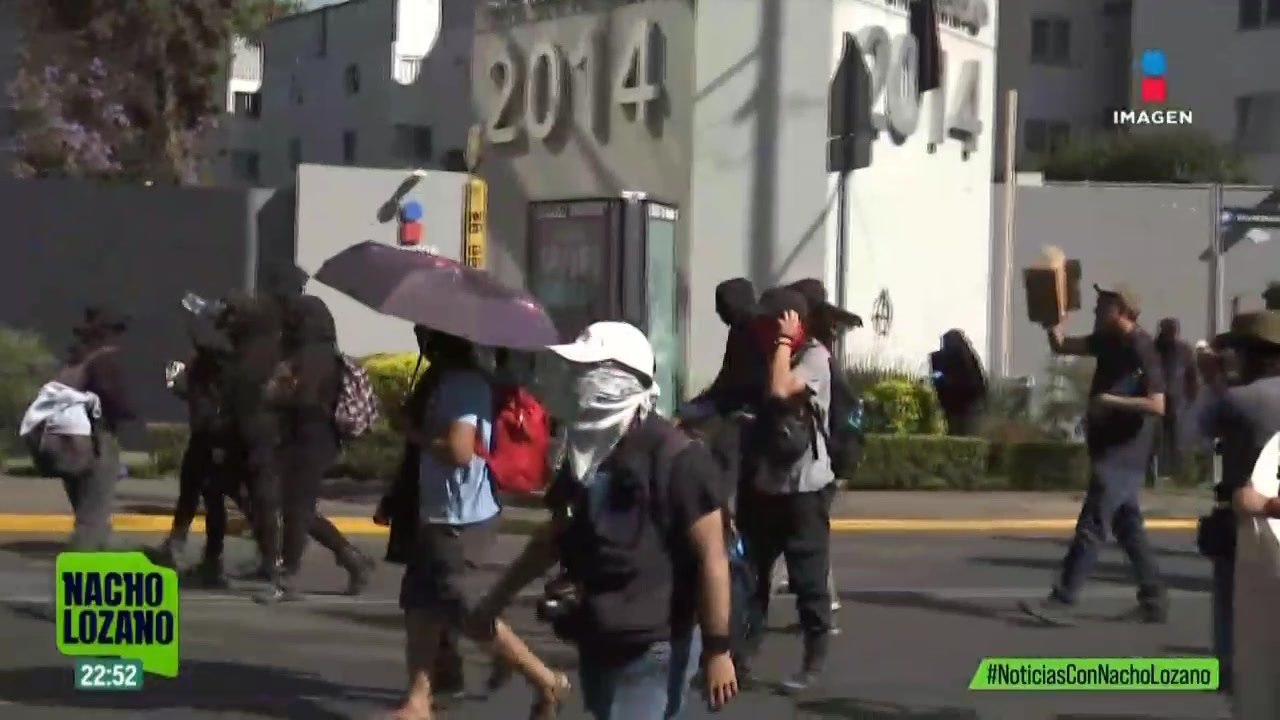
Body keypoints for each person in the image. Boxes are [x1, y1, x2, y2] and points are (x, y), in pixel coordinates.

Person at [472, 321, 738, 719]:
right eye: (579, 374)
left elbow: (712, 558)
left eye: (595, 374)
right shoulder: (584, 454)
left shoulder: (678, 458)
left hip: (655, 644)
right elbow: (553, 537)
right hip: (599, 638)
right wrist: (496, 598)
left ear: (630, 382)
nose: (583, 385)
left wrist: (719, 649)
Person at [380, 326, 567, 720]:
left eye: (424, 334)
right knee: (420, 605)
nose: (420, 340)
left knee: (466, 610)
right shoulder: (444, 381)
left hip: (460, 517)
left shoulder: (464, 385)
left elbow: (460, 451)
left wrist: (413, 433)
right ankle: (418, 701)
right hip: (436, 512)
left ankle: (545, 679)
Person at [1021, 283, 1168, 625]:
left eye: (1104, 305)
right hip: (1107, 447)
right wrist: (1052, 317)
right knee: (1128, 526)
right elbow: (1061, 346)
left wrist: (1109, 401)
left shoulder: (1141, 348)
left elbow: (1158, 405)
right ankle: (1155, 599)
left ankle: (1063, 600)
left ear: (1123, 310)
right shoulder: (1107, 340)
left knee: (1092, 525)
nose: (1096, 310)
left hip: (1124, 452)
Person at [737, 287, 837, 691]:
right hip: (766, 486)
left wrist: (783, 342)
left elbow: (780, 389)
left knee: (808, 577)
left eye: (774, 323)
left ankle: (813, 658)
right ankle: (740, 656)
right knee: (751, 576)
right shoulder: (767, 354)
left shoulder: (814, 357)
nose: (766, 330)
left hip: (804, 489)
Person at [257, 295, 375, 603]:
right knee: (300, 508)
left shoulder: (304, 358)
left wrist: (276, 393)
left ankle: (288, 576)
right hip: (319, 439)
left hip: (308, 438)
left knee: (297, 508)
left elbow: (288, 398)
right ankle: (352, 560)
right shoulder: (328, 355)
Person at [1191, 311, 1280, 702]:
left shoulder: (1240, 400)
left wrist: (1212, 381)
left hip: (1248, 526)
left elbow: (1187, 433)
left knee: (1239, 639)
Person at [157, 304, 236, 584]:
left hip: (213, 435)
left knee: (210, 498)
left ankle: (211, 560)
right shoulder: (211, 359)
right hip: (205, 433)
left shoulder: (220, 357)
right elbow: (187, 391)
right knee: (193, 493)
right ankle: (180, 546)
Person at [57, 305, 136, 551]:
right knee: (93, 515)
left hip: (70, 442)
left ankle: (100, 550)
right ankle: (82, 564)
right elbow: (113, 398)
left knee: (88, 507)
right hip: (96, 441)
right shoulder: (103, 361)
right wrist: (128, 411)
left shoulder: (76, 360)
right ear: (107, 333)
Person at [1154, 318, 1198, 477]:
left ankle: (1177, 472)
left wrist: (1192, 396)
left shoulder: (1184, 349)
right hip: (1158, 395)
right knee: (1158, 436)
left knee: (1177, 436)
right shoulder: (1154, 348)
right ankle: (1159, 472)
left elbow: (1192, 374)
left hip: (1178, 398)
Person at [929, 329, 988, 437]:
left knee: (957, 431)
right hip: (968, 404)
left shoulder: (943, 359)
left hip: (957, 406)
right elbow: (979, 384)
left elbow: (939, 380)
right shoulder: (969, 358)